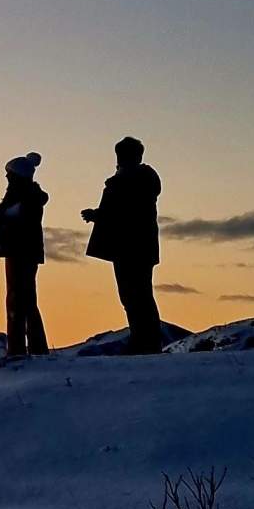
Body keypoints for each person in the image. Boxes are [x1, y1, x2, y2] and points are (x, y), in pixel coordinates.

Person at [81, 136, 163, 354]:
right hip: (133, 247)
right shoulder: (135, 180)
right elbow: (120, 211)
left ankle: (145, 343)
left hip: (131, 247)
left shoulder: (131, 181)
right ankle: (144, 341)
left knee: (136, 295)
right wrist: (98, 215)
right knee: (135, 295)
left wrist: (98, 215)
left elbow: (123, 212)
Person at [0, 152, 49, 358]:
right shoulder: (32, 195)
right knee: (27, 300)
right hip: (28, 252)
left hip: (17, 252)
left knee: (16, 301)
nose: (7, 179)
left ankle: (17, 349)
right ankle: (36, 348)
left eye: (9, 175)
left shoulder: (20, 196)